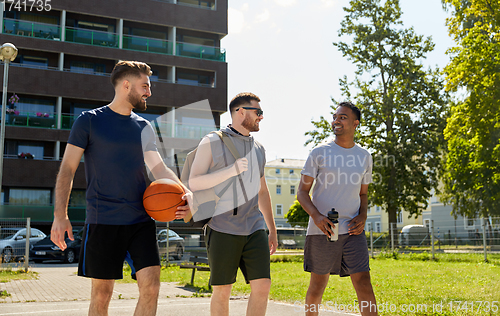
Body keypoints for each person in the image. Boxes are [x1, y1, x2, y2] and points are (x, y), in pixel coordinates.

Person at [50, 60, 192, 316]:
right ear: (126, 85)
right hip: (103, 219)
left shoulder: (143, 127)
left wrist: (185, 192)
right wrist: (60, 215)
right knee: (102, 295)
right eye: (145, 86)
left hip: (140, 220)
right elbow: (67, 169)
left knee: (151, 287)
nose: (149, 92)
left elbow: (159, 169)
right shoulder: (89, 121)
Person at [188, 92, 278, 316]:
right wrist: (231, 171)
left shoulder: (259, 149)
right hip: (222, 226)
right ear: (240, 112)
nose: (261, 117)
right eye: (258, 112)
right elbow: (194, 181)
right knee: (222, 290)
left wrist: (272, 229)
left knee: (262, 286)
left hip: (254, 226)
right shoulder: (212, 141)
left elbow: (262, 191)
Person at [297, 101, 378, 316]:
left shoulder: (364, 156)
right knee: (317, 286)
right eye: (335, 117)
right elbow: (302, 192)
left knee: (363, 282)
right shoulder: (319, 152)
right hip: (322, 230)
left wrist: (363, 215)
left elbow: (363, 193)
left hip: (353, 231)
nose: (336, 121)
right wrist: (316, 216)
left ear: (355, 123)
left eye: (342, 117)